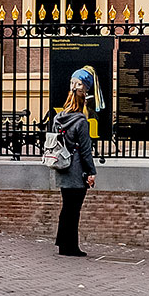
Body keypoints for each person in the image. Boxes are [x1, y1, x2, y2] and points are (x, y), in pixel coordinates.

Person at [50, 68, 100, 257]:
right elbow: (86, 152)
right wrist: (91, 172)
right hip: (77, 171)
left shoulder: (58, 119)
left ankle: (63, 245)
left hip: (62, 168)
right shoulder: (81, 122)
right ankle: (72, 247)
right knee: (74, 210)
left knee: (66, 208)